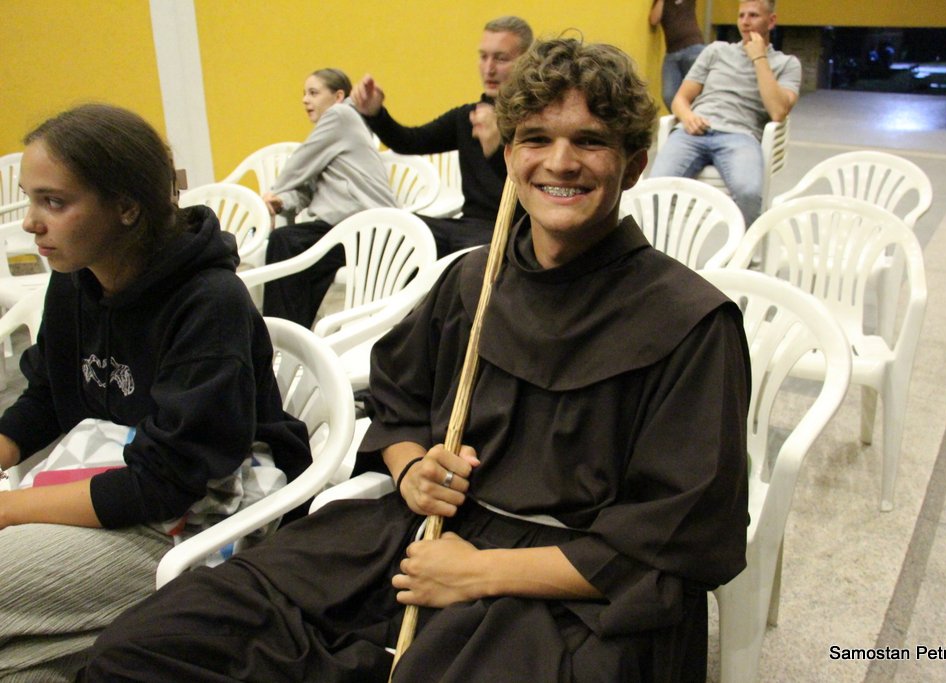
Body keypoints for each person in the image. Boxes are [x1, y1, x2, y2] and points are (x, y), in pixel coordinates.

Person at [81, 37, 750, 682]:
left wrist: (481, 573)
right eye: (536, 139)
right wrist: (412, 470)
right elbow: (397, 404)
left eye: (590, 141)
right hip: (419, 535)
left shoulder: (690, 323)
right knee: (158, 645)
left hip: (571, 591)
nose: (560, 162)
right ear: (510, 155)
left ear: (633, 164)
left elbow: (679, 536)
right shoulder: (472, 283)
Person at [0, 104, 311, 678]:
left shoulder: (208, 302)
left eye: (54, 202)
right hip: (112, 486)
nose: (31, 224)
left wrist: (9, 509)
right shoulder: (74, 282)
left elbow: (166, 481)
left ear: (126, 207)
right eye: (29, 200)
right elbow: (46, 395)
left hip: (198, 517)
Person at [351, 16, 532, 257]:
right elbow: (409, 141)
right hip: (466, 226)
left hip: (512, 230)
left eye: (501, 58)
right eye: (483, 57)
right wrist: (375, 113)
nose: (489, 68)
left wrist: (499, 151)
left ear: (526, 62)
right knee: (390, 231)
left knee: (474, 253)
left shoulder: (536, 122)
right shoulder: (468, 116)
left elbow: (533, 192)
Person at [262, 67, 397, 329]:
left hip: (368, 229)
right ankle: (292, 335)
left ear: (338, 96)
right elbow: (308, 186)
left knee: (285, 242)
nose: (305, 100)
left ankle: (280, 338)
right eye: (304, 94)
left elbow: (299, 163)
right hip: (348, 227)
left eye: (313, 93)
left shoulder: (340, 115)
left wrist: (273, 192)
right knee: (293, 248)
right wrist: (283, 201)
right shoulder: (338, 133)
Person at [649, 0, 801, 227]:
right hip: (693, 131)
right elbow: (680, 99)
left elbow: (778, 111)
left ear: (771, 21)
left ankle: (745, 249)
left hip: (740, 136)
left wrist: (759, 58)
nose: (745, 22)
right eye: (741, 16)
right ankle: (661, 246)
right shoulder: (716, 51)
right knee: (653, 190)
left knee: (749, 194)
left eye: (753, 15)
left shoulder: (786, 64)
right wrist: (688, 117)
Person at [650, 0, 706, 110]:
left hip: (693, 47)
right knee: (669, 95)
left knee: (697, 91)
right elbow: (653, 20)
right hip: (672, 52)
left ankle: (697, 116)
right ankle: (684, 117)